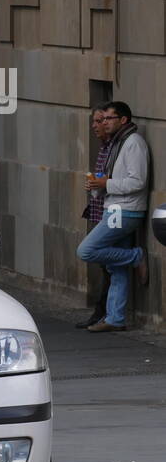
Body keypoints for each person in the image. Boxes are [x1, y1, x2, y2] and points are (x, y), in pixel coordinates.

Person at [77, 101, 152, 332]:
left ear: (123, 120)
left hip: (124, 210)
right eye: (104, 118)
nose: (104, 122)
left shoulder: (133, 143)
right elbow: (112, 179)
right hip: (115, 207)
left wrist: (105, 183)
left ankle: (135, 256)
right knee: (115, 268)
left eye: (109, 118)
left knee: (86, 250)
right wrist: (97, 185)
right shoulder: (117, 144)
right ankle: (115, 318)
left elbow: (138, 181)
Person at [77, 107, 124, 327]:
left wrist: (101, 183)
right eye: (96, 121)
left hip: (114, 209)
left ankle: (104, 313)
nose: (97, 125)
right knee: (107, 265)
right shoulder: (106, 147)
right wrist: (95, 184)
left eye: (101, 120)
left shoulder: (119, 146)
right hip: (102, 208)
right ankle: (104, 313)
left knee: (102, 259)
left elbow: (123, 180)